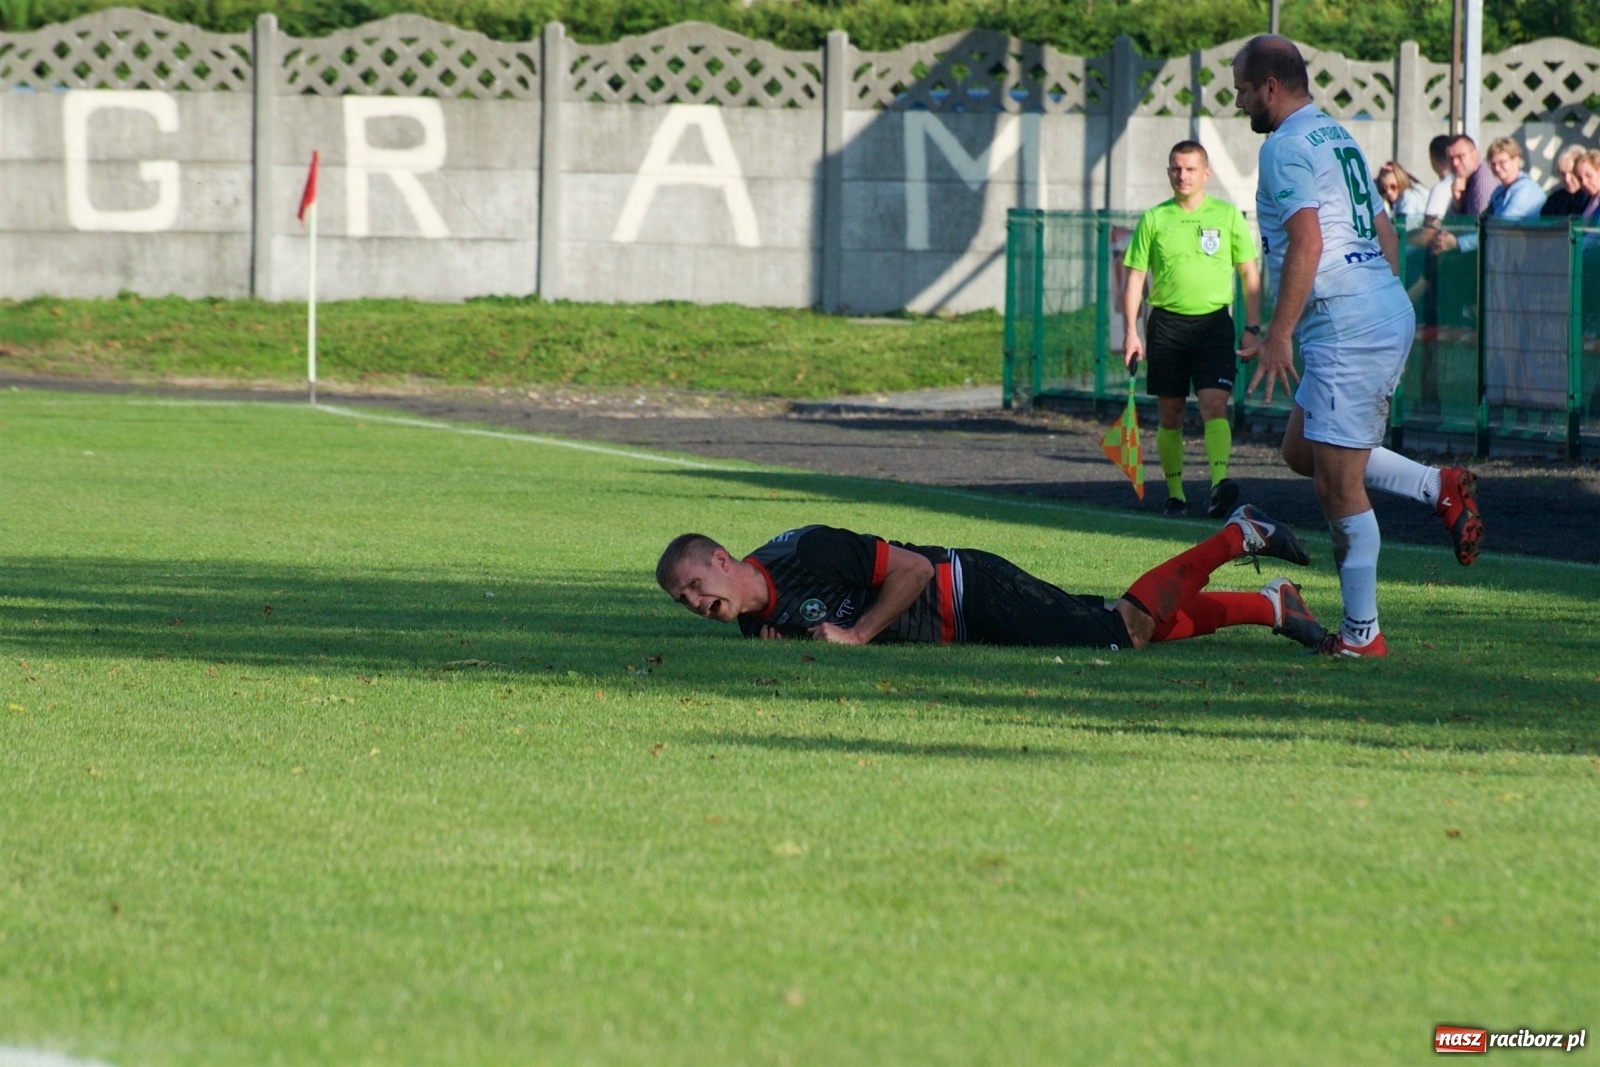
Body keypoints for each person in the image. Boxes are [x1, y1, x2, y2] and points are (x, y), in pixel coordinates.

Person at [1232, 35, 1484, 659]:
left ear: (1269, 85)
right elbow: (1384, 236)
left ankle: (1361, 635)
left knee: (1337, 485)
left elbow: (1309, 245)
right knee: (1302, 452)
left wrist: (1277, 333)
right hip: (1369, 309)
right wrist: (1375, 302)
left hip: (1348, 324)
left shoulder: (1283, 146)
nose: (1238, 101)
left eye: (1241, 88)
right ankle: (1436, 486)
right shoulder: (1335, 135)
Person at [655, 505, 1325, 652]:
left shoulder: (811, 549)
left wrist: (859, 633)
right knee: (1121, 626)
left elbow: (914, 569)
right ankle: (1271, 607)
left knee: (1121, 631)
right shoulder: (751, 620)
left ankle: (1239, 534)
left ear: (721, 558)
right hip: (965, 622)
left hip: (970, 589)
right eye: (682, 600)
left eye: (691, 584)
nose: (691, 603)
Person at [1121, 141, 1262, 519]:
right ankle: (1175, 495)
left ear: (1206, 174)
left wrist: (1252, 326)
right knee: (1171, 414)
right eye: (1175, 169)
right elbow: (1134, 279)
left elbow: (1250, 274)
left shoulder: (1228, 216)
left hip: (1214, 324)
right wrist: (1132, 332)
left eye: (1189, 169)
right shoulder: (1154, 219)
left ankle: (1218, 487)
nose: (1182, 176)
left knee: (1215, 405)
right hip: (1166, 325)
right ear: (1169, 172)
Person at [1431, 137, 1546, 253]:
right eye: (1493, 164)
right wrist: (1457, 204)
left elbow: (1500, 231)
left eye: (1502, 162)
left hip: (1525, 262)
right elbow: (1480, 224)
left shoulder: (1525, 190)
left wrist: (1458, 243)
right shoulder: (1499, 191)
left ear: (1516, 160)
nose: (1497, 168)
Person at [1445, 134, 1497, 219]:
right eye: (1451, 158)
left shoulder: (1483, 181)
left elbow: (1479, 227)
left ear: (1475, 155)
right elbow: (1450, 225)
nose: (1455, 163)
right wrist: (1457, 203)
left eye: (1460, 156)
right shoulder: (1465, 178)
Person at [1540, 145, 1590, 217]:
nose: (1567, 179)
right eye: (1563, 174)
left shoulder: (1592, 201)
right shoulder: (1554, 200)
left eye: (1571, 173)